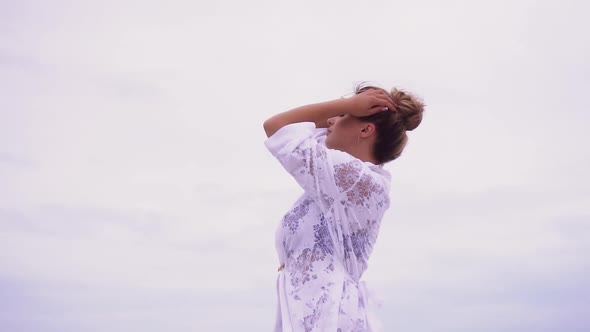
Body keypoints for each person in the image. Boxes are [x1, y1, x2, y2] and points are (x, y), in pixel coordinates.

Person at [263, 83, 425, 331]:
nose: (329, 120)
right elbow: (294, 130)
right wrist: (349, 109)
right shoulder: (334, 180)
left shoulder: (356, 178)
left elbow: (277, 128)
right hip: (315, 312)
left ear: (366, 129)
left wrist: (348, 105)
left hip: (328, 314)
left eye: (340, 117)